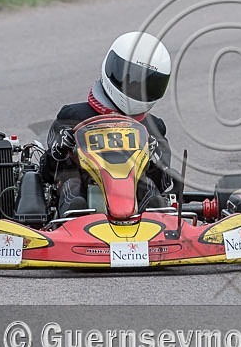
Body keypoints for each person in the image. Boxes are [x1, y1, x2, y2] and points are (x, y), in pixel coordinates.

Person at [40, 31, 173, 215]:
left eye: (147, 84)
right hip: (86, 197)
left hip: (136, 205)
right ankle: (73, 225)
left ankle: (157, 227)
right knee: (71, 183)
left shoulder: (154, 128)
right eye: (132, 80)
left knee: (149, 189)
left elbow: (165, 184)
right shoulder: (73, 116)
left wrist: (156, 162)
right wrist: (59, 151)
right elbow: (47, 175)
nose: (137, 89)